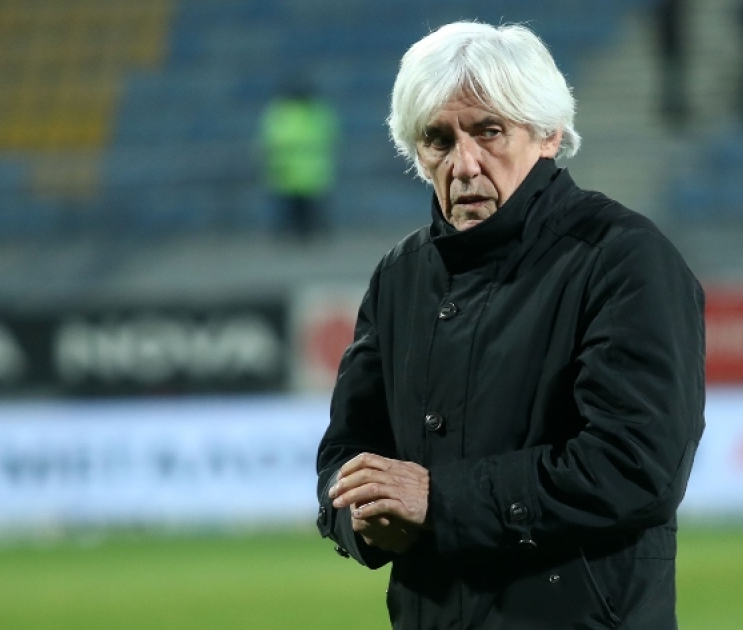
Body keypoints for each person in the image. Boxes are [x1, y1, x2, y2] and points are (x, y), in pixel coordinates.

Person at [315, 21, 705, 629]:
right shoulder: (399, 276)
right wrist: (357, 515)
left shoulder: (624, 258)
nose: (464, 164)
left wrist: (438, 500)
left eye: (489, 131)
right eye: (438, 140)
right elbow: (345, 453)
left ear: (549, 134)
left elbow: (635, 467)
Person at [257, 79, 339, 241]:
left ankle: (300, 236)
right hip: (305, 170)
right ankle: (300, 236)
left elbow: (269, 141)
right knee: (296, 209)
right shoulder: (317, 112)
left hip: (292, 170)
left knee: (302, 209)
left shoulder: (280, 113)